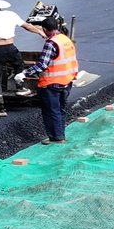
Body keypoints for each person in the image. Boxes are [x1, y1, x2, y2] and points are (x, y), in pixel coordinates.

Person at [13, 15, 79, 144]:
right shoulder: (65, 39)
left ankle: (56, 138)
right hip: (67, 80)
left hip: (52, 83)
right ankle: (60, 135)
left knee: (51, 111)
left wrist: (24, 73)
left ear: (44, 29)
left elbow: (42, 64)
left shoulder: (51, 43)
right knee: (60, 110)